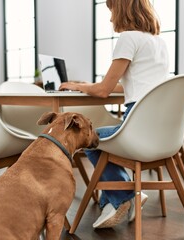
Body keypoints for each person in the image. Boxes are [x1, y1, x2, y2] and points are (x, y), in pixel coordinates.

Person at [60, 0, 169, 229]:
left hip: (137, 125)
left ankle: (124, 198)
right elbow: (133, 85)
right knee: (102, 140)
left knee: (91, 139)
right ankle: (117, 199)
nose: (110, 19)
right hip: (160, 129)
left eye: (111, 11)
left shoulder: (128, 38)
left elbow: (103, 91)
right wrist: (89, 85)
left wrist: (79, 86)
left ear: (121, 9)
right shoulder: (158, 43)